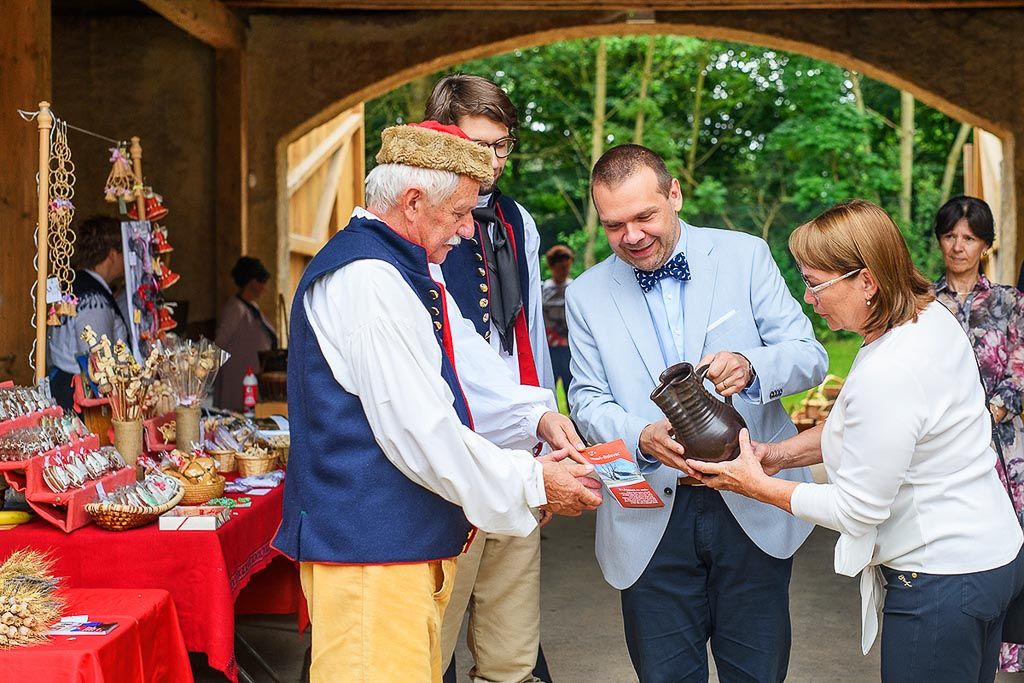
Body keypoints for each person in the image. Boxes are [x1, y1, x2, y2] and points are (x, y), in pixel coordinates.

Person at [272, 121, 601, 683]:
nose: (468, 231)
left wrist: (536, 415)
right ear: (414, 200)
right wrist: (533, 482)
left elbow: (468, 363)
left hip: (394, 552)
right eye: (459, 213)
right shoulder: (369, 279)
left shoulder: (403, 270)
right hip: (370, 557)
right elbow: (419, 430)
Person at [687, 199, 1024, 682]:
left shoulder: (890, 371)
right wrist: (776, 455)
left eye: (814, 282)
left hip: (941, 582)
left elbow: (855, 510)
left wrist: (752, 485)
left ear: (866, 281)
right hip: (991, 558)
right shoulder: (926, 318)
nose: (807, 297)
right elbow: (860, 429)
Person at [567, 144, 826, 683]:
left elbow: (809, 355)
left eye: (645, 217)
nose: (632, 237)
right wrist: (640, 434)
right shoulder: (584, 293)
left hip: (753, 499)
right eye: (615, 226)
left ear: (675, 195)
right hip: (646, 517)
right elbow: (587, 399)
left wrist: (753, 365)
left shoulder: (746, 254)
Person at [425, 73, 558, 683]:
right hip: (446, 443)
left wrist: (542, 425)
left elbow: (526, 334)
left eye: (503, 146)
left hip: (515, 437)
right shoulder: (415, 220)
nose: (494, 161)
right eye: (481, 146)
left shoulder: (516, 222)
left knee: (512, 631)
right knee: (436, 626)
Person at [930, 196, 1024, 672]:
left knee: (1008, 536)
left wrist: (988, 413)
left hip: (1002, 444)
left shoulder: (1011, 302)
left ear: (985, 245)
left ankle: (1009, 648)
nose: (958, 246)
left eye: (969, 238)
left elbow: (1018, 369)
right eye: (950, 236)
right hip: (938, 443)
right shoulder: (922, 304)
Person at [47, 214, 128, 410]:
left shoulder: (74, 286)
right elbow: (99, 362)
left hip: (64, 387)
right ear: (112, 255)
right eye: (124, 252)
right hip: (81, 400)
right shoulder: (95, 300)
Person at [214, 257, 277, 412]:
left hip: (249, 379)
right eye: (262, 281)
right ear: (252, 282)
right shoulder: (235, 308)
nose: (264, 287)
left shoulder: (251, 306)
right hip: (237, 382)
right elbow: (220, 342)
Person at [543, 245, 575, 398]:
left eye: (567, 267)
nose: (564, 271)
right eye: (561, 267)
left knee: (572, 388)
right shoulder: (543, 289)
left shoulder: (575, 288)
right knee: (550, 387)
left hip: (570, 347)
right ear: (552, 266)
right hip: (549, 348)